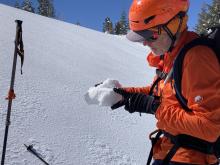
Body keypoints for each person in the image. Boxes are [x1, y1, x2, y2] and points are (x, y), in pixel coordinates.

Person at [110, 0, 220, 164]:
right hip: (168, 151)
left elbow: (210, 127)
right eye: (141, 37)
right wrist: (125, 93)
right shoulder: (172, 54)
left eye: (150, 35)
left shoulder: (197, 58)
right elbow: (160, 92)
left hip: (192, 159)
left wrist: (153, 107)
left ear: (174, 24)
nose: (145, 42)